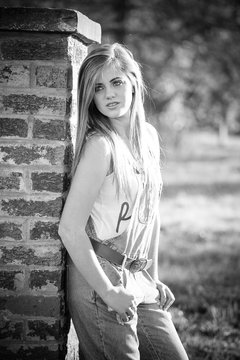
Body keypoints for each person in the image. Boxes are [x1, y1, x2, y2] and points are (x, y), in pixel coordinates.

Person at [58, 43, 189, 360]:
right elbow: (70, 229)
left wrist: (153, 279)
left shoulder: (149, 138)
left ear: (132, 80)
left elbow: (150, 215)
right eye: (98, 87)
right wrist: (109, 292)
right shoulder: (100, 146)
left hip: (137, 276)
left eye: (116, 82)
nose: (109, 95)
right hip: (100, 281)